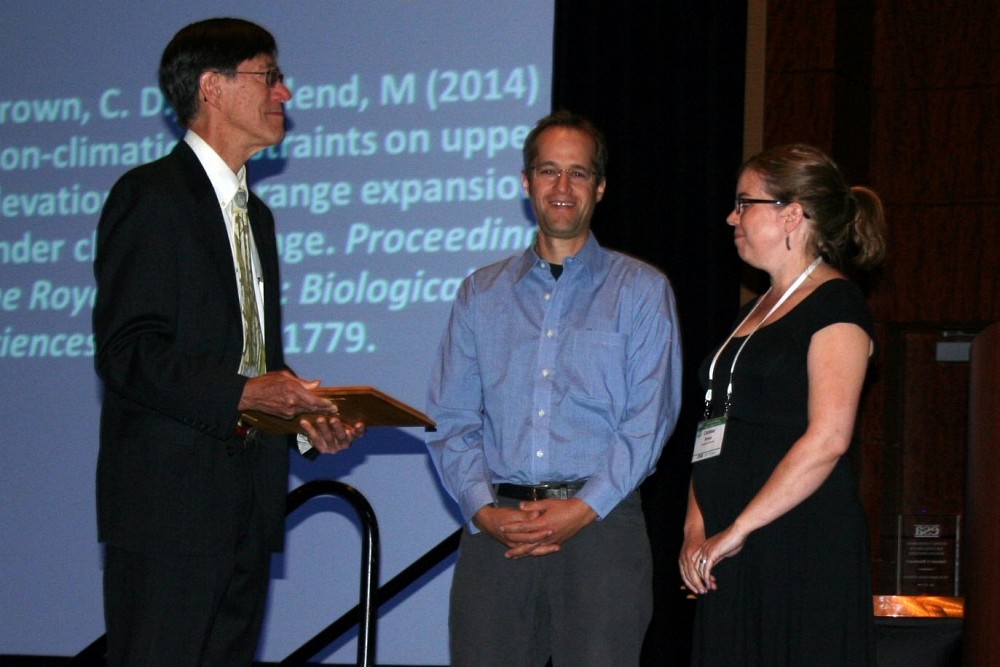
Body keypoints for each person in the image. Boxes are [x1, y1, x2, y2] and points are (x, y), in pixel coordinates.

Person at [92, 18, 364, 666]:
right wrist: (247, 391)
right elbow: (127, 349)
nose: (285, 94)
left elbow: (251, 356)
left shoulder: (255, 215)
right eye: (269, 76)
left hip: (245, 514)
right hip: (169, 518)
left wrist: (301, 416)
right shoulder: (150, 196)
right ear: (212, 88)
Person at [425, 110, 682, 666]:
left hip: (602, 532)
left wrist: (581, 509)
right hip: (496, 533)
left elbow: (649, 420)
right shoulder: (480, 293)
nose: (562, 187)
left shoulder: (641, 291)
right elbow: (451, 419)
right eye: (548, 171)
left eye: (579, 173)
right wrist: (484, 511)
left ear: (600, 187)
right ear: (526, 183)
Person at [679, 144, 887, 665]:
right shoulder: (749, 313)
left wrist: (738, 530)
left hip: (798, 547)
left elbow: (828, 438)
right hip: (728, 548)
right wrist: (695, 531)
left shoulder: (838, 305)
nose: (732, 216)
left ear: (791, 214)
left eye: (744, 202)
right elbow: (714, 427)